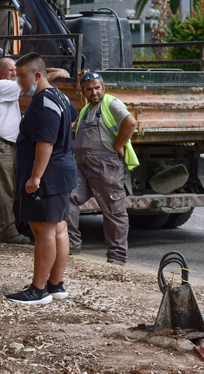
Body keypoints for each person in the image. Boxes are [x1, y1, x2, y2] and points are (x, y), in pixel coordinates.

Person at [6, 53, 78, 306]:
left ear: (37, 75)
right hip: (61, 171)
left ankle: (38, 290)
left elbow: (44, 142)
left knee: (44, 231)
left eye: (22, 76)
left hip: (48, 175)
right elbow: (73, 115)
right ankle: (55, 285)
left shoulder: (43, 102)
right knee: (58, 228)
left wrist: (35, 177)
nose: (20, 83)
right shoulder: (59, 95)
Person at [0, 57, 69, 244]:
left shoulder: (6, 88)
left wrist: (45, 68)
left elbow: (36, 74)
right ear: (0, 72)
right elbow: (32, 81)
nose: (15, 74)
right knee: (5, 190)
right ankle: (8, 231)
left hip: (5, 145)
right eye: (12, 70)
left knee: (3, 189)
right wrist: (57, 73)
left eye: (17, 71)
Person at [67, 72, 138, 266]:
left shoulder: (111, 103)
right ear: (83, 92)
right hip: (83, 167)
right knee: (67, 197)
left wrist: (119, 145)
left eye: (97, 87)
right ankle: (71, 246)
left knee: (113, 211)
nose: (94, 92)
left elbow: (130, 122)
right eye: (89, 89)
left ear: (103, 87)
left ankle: (116, 259)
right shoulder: (86, 110)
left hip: (106, 167)